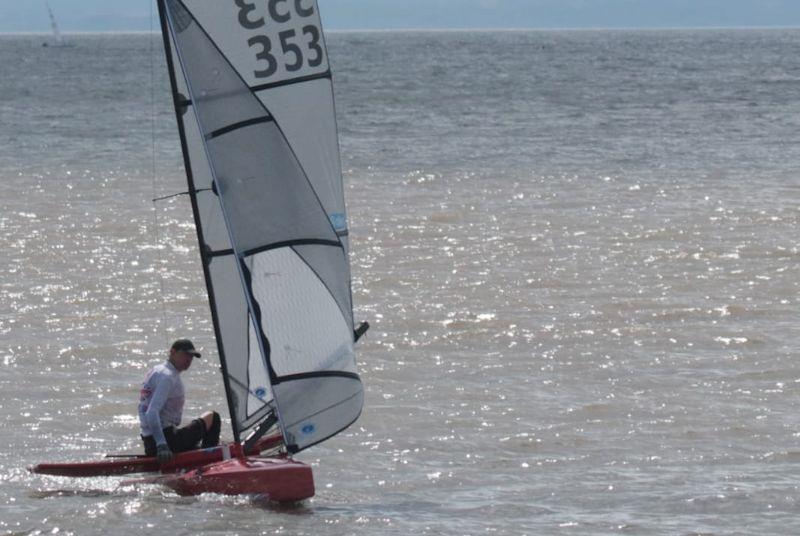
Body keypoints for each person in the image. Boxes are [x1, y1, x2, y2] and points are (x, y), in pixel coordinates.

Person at [138, 339, 221, 463]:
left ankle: (198, 453)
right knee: (213, 417)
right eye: (185, 355)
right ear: (172, 352)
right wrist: (162, 445)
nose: (188, 360)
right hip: (167, 442)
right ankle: (208, 462)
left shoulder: (157, 370)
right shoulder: (168, 377)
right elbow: (151, 413)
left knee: (190, 430)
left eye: (191, 357)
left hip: (150, 443)